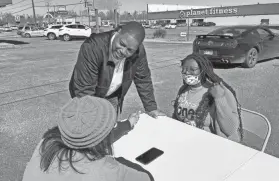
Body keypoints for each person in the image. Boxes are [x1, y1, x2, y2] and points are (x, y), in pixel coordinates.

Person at [22, 95, 152, 181]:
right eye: (113, 124)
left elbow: (90, 135)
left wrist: (128, 124)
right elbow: (147, 178)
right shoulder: (107, 171)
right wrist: (121, 162)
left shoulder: (46, 143)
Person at [69, 21, 165, 119]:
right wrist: (92, 117)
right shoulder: (93, 47)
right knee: (91, 126)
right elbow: (84, 90)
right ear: (118, 32)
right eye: (122, 44)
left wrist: (151, 108)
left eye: (129, 50)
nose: (123, 51)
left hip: (112, 96)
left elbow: (143, 79)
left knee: (111, 127)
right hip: (89, 95)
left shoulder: (138, 52)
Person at [172, 53, 243, 142]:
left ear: (203, 70)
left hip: (211, 144)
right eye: (184, 69)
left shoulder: (218, 91)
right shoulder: (183, 90)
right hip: (186, 140)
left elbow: (230, 130)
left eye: (192, 69)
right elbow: (175, 118)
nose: (186, 72)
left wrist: (219, 99)